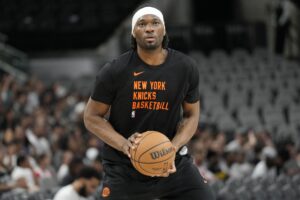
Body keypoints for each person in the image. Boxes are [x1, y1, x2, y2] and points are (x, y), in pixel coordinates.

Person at [84, 6, 215, 200]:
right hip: (124, 169)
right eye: (142, 24)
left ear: (164, 30)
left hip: (172, 163)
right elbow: (91, 117)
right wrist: (124, 144)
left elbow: (191, 115)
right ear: (133, 32)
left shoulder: (185, 67)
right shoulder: (114, 71)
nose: (149, 28)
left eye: (155, 23)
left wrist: (173, 147)